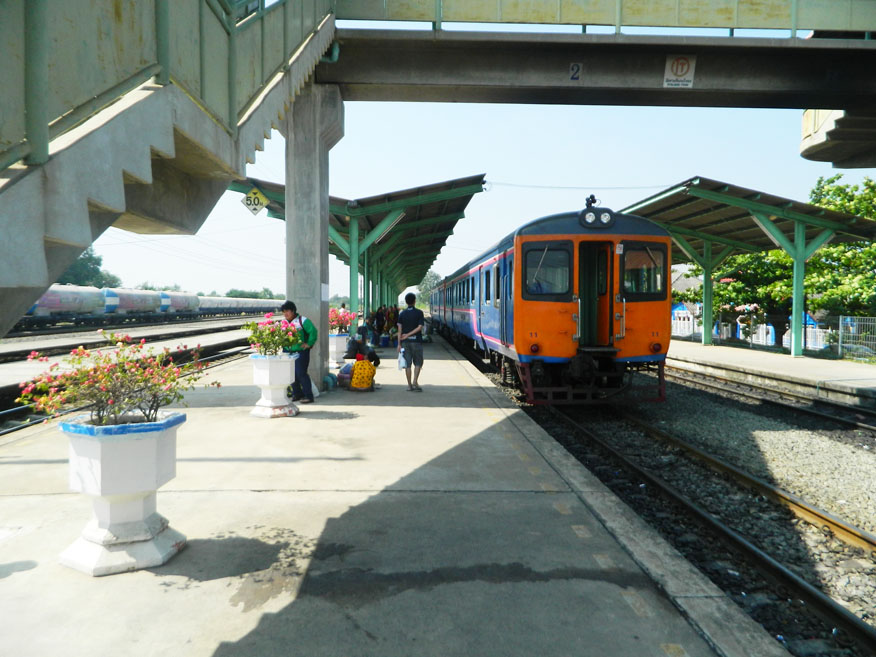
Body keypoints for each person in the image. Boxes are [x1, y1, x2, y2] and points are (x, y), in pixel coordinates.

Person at [281, 300, 318, 403]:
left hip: (301, 352)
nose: (285, 314)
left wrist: (309, 344)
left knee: (301, 373)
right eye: (283, 312)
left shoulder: (303, 320)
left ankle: (308, 396)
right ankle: (297, 394)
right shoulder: (284, 323)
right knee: (291, 374)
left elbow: (313, 332)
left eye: (287, 311)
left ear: (293, 311)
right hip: (288, 352)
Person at [397, 292, 425, 391]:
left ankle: (409, 386)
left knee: (407, 364)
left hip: (405, 343)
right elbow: (420, 327)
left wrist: (399, 344)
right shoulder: (419, 313)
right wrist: (410, 335)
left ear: (406, 302)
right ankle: (415, 381)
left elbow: (399, 330)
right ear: (414, 301)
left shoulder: (402, 314)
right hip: (417, 341)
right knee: (418, 362)